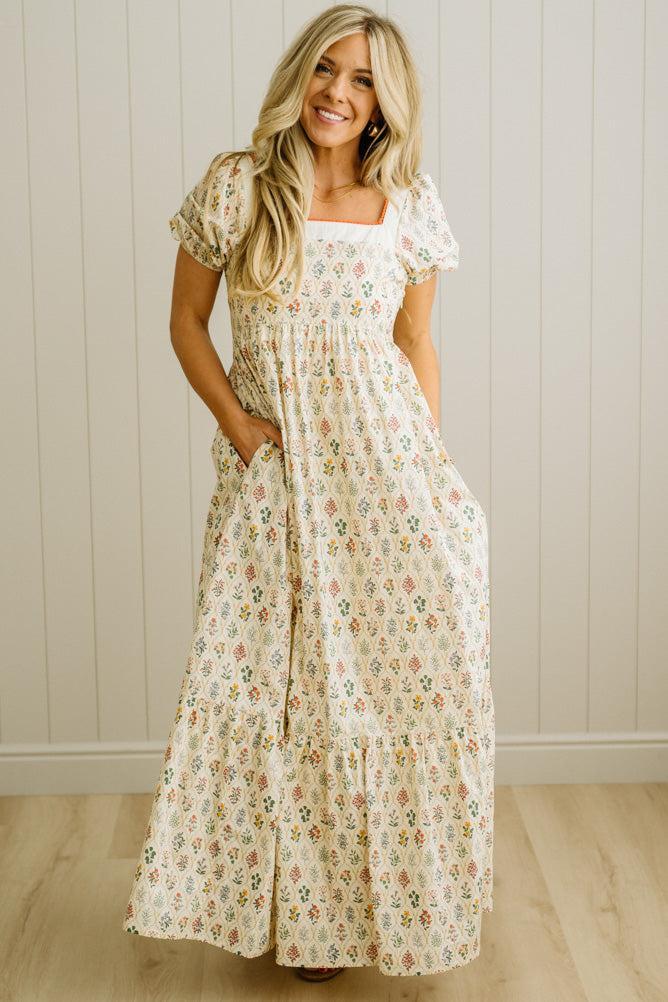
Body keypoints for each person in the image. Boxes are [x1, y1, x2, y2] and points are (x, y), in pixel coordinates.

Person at [122, 2, 495, 981]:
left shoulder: (406, 202)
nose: (338, 91)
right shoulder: (238, 187)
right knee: (281, 696)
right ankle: (303, 919)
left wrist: (427, 469)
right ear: (299, 75)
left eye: (362, 79)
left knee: (390, 692)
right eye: (326, 69)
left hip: (386, 479)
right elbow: (186, 323)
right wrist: (240, 429)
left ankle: (389, 914)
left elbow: (414, 343)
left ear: (384, 102)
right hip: (277, 482)